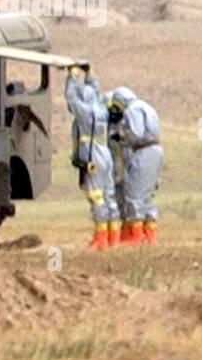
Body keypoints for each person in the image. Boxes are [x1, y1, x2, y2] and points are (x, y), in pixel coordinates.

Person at [65, 68, 119, 250]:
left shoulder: (84, 111)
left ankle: (101, 238)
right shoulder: (101, 108)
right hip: (105, 152)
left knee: (95, 195)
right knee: (108, 194)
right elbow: (93, 90)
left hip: (92, 154)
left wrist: (72, 76)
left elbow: (71, 97)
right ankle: (113, 236)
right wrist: (89, 75)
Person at [108, 87, 163, 245]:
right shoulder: (146, 107)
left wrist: (121, 137)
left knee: (135, 193)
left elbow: (136, 133)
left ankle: (136, 235)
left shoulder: (132, 110)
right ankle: (149, 234)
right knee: (147, 195)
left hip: (142, 151)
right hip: (155, 151)